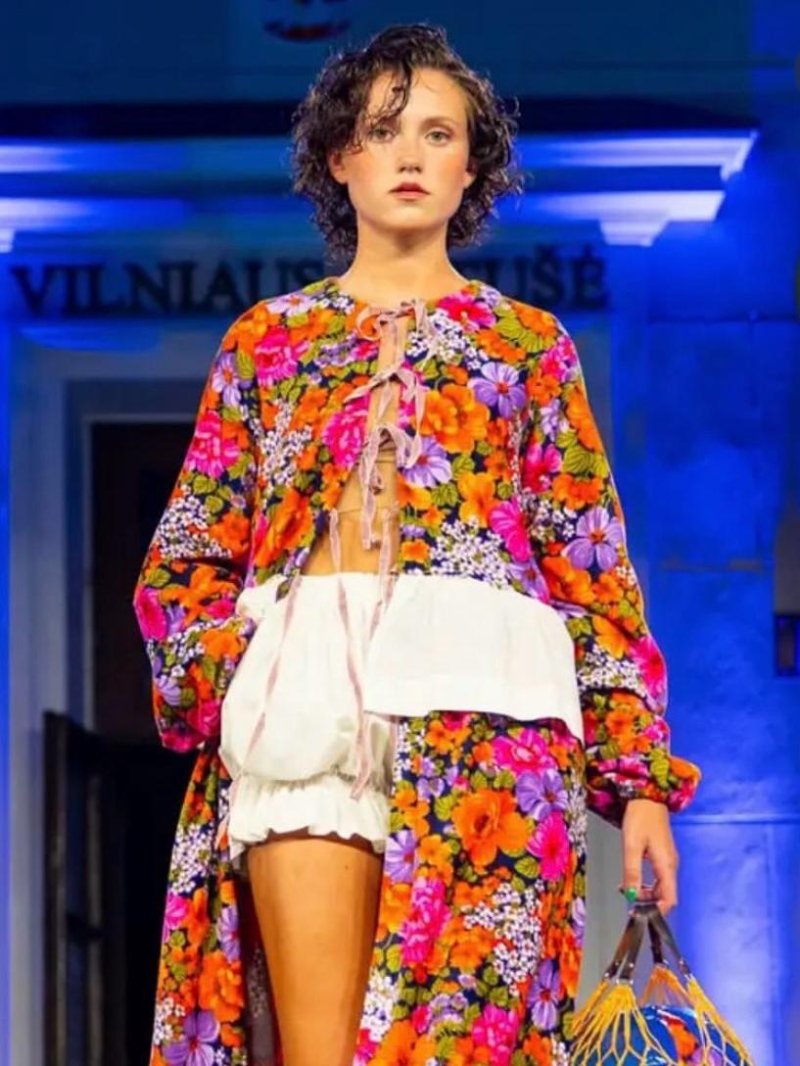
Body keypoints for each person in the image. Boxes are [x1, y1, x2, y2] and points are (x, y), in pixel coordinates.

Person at [133, 22, 701, 1066]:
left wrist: (641, 784)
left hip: (490, 723)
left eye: (437, 134)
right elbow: (189, 554)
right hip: (307, 715)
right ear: (337, 158)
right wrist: (237, 674)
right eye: (381, 130)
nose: (408, 154)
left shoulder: (527, 348)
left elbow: (590, 570)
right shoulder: (269, 341)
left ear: (470, 167)